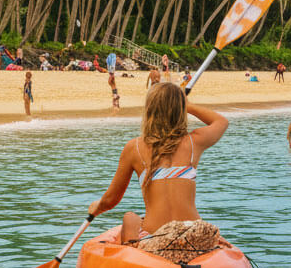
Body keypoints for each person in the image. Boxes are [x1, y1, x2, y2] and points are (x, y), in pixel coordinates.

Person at [86, 82, 229, 255]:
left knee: (130, 217)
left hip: (158, 239)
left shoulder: (134, 148)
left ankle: (131, 250)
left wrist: (97, 207)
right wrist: (186, 105)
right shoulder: (194, 142)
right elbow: (221, 121)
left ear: (149, 111)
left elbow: (111, 200)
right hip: (194, 235)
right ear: (180, 110)